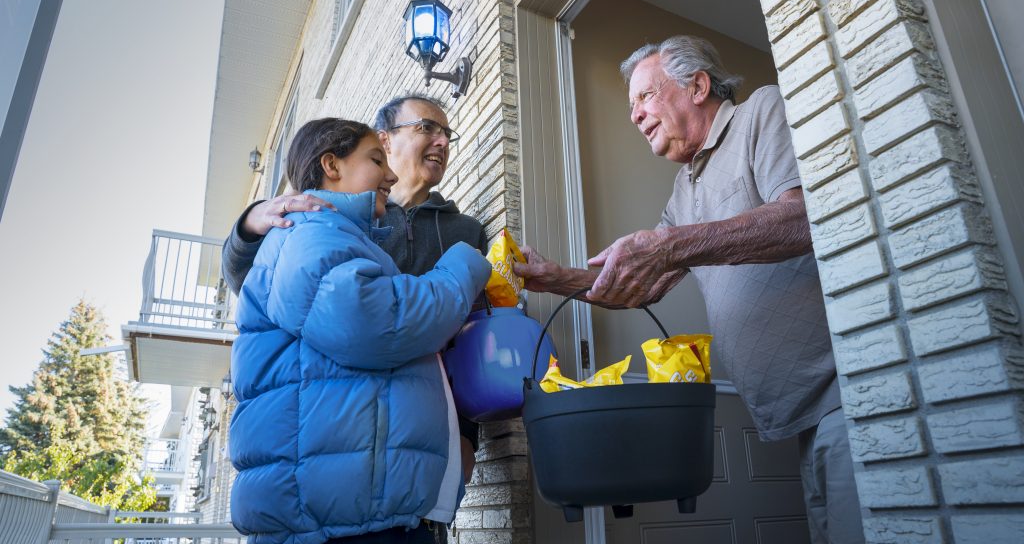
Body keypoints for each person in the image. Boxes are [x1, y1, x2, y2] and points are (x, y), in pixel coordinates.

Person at [513, 36, 863, 544]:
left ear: (698, 86)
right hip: (795, 415)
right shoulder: (684, 188)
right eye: (631, 104)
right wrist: (558, 278)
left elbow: (803, 219)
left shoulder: (759, 113)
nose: (634, 116)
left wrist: (672, 245)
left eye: (644, 97)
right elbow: (645, 283)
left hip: (842, 392)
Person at [230, 117, 490, 544]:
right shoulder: (308, 232)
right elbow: (377, 321)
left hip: (355, 514)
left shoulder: (333, 234)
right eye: (375, 159)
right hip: (344, 524)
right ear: (331, 165)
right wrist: (463, 267)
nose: (388, 174)